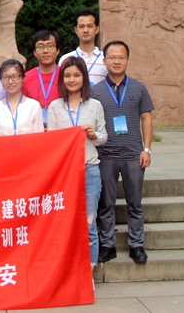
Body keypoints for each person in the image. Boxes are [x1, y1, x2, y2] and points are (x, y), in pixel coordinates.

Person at [91, 41, 155, 265]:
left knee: (135, 202)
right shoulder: (95, 91)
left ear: (128, 60)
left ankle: (137, 244)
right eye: (112, 57)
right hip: (106, 155)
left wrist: (147, 149)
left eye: (121, 57)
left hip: (133, 154)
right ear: (104, 61)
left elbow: (146, 118)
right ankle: (107, 245)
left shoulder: (139, 88)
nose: (116, 61)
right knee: (106, 203)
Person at [48, 57, 107, 273]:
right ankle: (67, 271)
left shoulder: (95, 105)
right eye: (67, 75)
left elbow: (104, 137)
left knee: (89, 222)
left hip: (90, 170)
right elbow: (52, 142)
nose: (72, 80)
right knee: (64, 223)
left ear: (84, 78)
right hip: (65, 173)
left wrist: (94, 134)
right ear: (61, 79)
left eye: (76, 75)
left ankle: (88, 273)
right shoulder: (55, 107)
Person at [0, 59, 44, 136]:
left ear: (23, 78)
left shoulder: (34, 106)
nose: (10, 81)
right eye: (5, 77)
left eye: (15, 76)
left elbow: (39, 137)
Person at [58, 8, 107, 86]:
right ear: (76, 30)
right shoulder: (65, 59)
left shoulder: (106, 59)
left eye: (90, 26)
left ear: (97, 29)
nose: (85, 30)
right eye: (81, 26)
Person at [22, 30, 61, 128]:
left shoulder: (66, 75)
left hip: (61, 129)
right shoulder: (26, 78)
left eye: (50, 46)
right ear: (34, 52)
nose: (45, 51)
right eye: (40, 47)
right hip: (34, 130)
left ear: (58, 50)